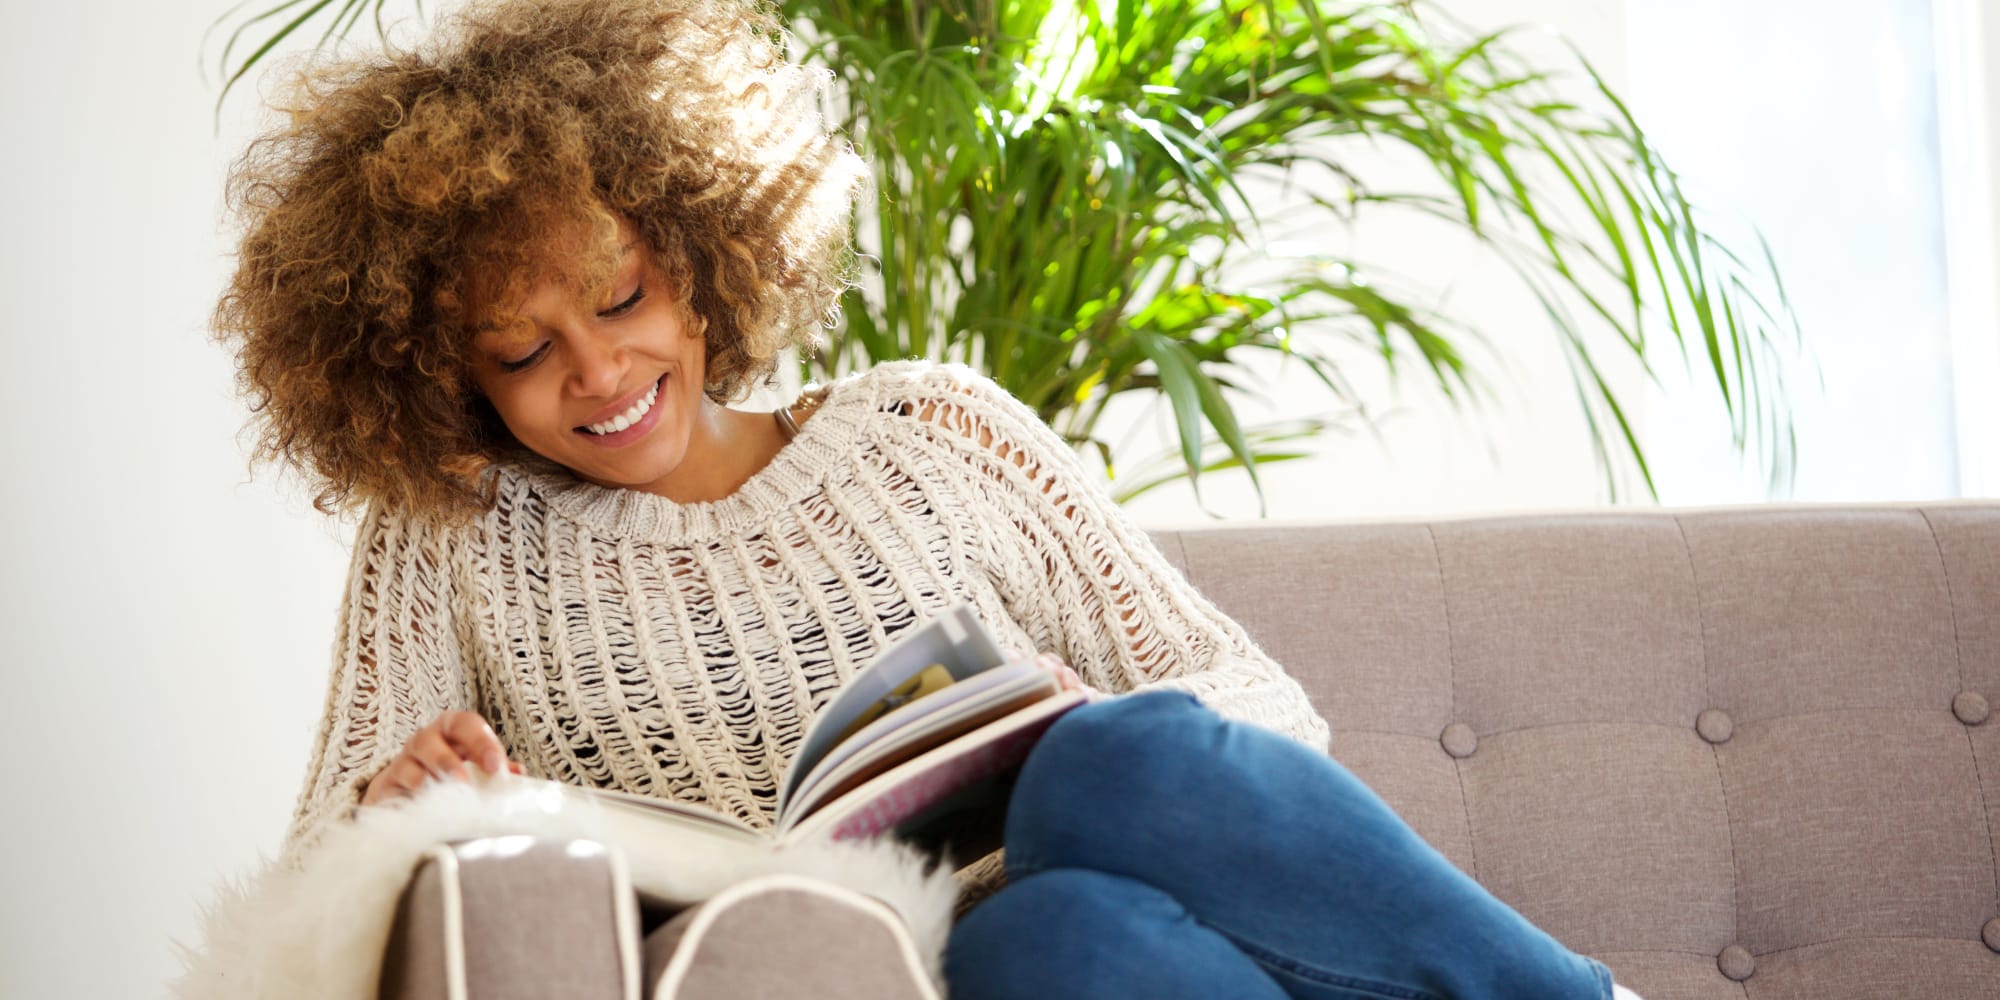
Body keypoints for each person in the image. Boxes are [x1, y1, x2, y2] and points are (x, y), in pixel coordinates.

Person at [214, 0, 1640, 996]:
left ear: (707, 253)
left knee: (1103, 783)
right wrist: (387, 809)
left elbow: (1252, 697)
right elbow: (311, 922)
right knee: (1039, 950)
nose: (600, 372)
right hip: (925, 971)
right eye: (525, 354)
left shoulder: (935, 426)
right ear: (446, 378)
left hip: (1109, 870)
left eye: (623, 297)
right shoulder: (452, 538)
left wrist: (1047, 730)